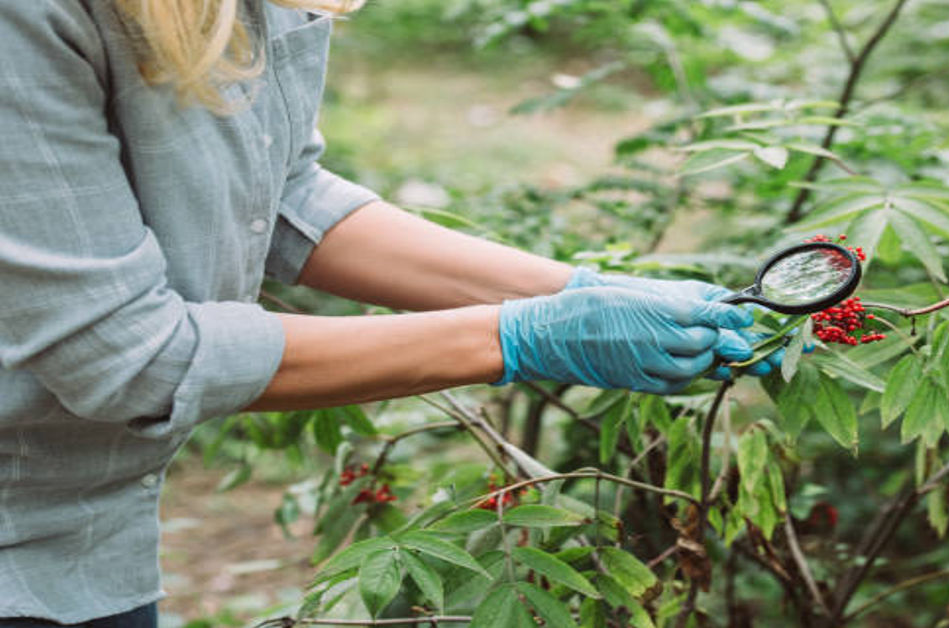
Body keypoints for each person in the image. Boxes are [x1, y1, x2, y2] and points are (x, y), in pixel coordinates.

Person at [0, 1, 773, 625]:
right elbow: (128, 354)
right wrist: (521, 336)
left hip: (94, 536)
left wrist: (571, 288)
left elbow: (282, 193)